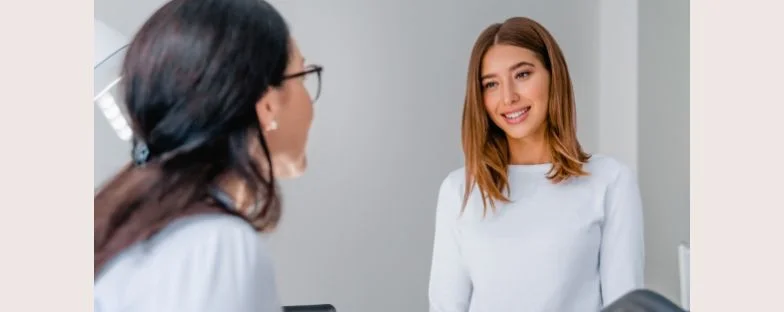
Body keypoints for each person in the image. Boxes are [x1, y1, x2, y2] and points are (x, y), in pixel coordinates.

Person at [93, 0, 323, 311]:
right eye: (303, 77)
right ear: (267, 105)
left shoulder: (127, 230)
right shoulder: (217, 247)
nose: (310, 101)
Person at [428, 17, 644, 312]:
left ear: (553, 75)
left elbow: (625, 306)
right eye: (491, 84)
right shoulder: (459, 190)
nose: (508, 97)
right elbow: (446, 307)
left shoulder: (610, 181)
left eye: (522, 74)